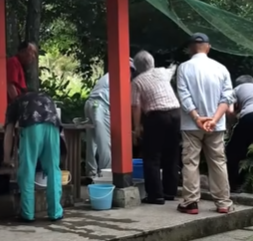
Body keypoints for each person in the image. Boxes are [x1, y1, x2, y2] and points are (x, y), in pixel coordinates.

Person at [176, 33, 235, 215]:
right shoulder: (221, 68)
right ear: (208, 47)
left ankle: (191, 202)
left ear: (191, 48)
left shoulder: (184, 68)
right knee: (218, 161)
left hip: (191, 125)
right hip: (216, 125)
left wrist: (197, 118)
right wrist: (214, 119)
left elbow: (184, 96)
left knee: (191, 162)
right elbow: (227, 97)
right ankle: (223, 202)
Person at [2, 91, 64, 222]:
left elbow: (9, 133)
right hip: (53, 127)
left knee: (27, 169)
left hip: (32, 127)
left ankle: (28, 214)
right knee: (53, 169)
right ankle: (55, 212)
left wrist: (6, 159)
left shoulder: (14, 104)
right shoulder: (45, 96)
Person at [131, 51, 180, 204]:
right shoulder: (162, 72)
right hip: (175, 114)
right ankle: (170, 192)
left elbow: (136, 106)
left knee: (152, 157)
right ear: (152, 62)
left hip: (156, 117)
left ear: (136, 67)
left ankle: (155, 195)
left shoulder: (137, 81)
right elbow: (173, 69)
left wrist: (137, 126)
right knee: (171, 154)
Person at [84, 58, 136, 178]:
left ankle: (91, 173)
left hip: (90, 103)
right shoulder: (121, 76)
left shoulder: (108, 75)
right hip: (100, 106)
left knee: (92, 141)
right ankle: (106, 174)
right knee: (104, 142)